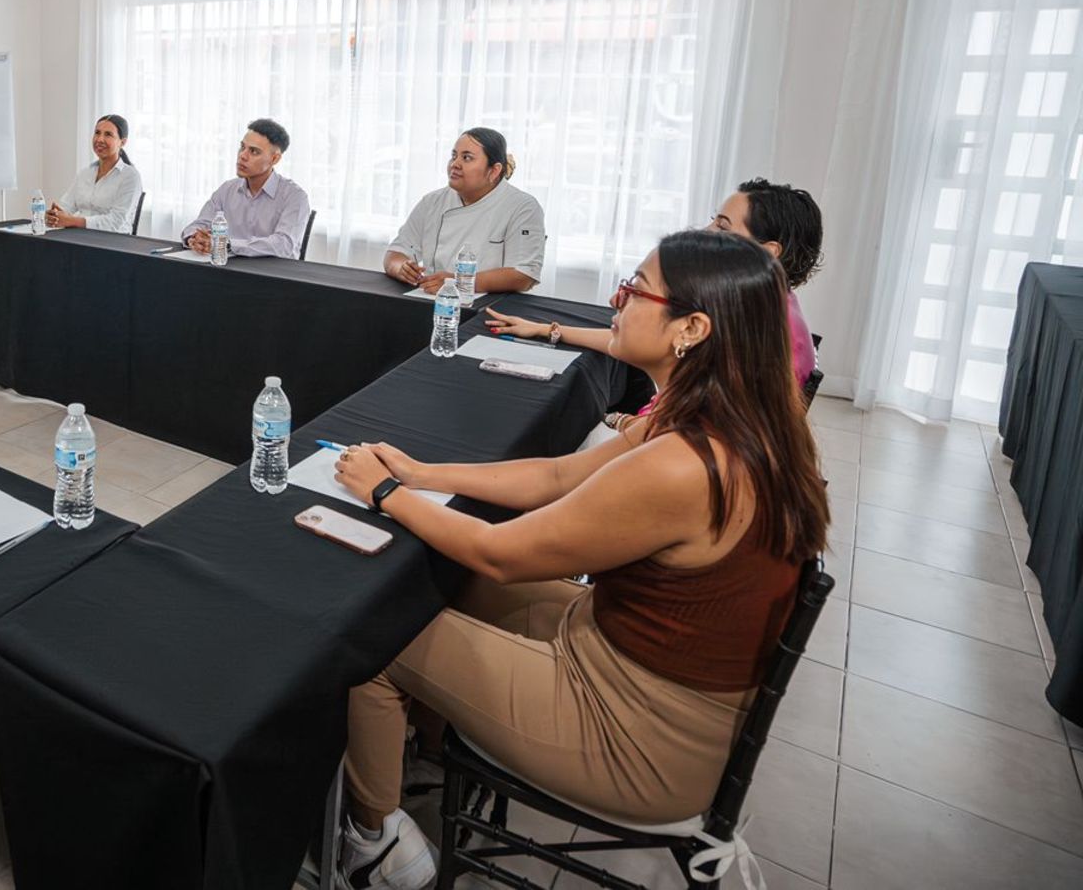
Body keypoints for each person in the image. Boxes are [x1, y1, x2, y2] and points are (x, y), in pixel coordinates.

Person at [332, 231, 829, 888]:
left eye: (635, 290)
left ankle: (373, 843)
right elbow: (558, 476)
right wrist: (421, 473)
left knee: (373, 631)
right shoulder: (723, 417)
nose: (617, 301)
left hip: (637, 739)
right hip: (625, 658)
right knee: (444, 579)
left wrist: (385, 493)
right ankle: (426, 748)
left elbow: (501, 553)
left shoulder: (685, 463)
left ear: (692, 329)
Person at [486, 178, 824, 413]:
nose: (706, 232)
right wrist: (549, 330)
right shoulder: (767, 308)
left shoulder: (745, 328)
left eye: (722, 227)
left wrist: (617, 422)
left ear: (768, 252)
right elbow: (638, 340)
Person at [383, 128, 544, 296]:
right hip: (435, 299)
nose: (455, 164)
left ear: (494, 171)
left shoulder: (523, 207)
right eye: (454, 156)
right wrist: (401, 268)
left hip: (491, 305)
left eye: (467, 158)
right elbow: (395, 253)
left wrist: (457, 282)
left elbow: (523, 275)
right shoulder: (432, 202)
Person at [176, 118, 311, 259]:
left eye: (254, 151)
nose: (242, 156)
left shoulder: (295, 197)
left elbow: (284, 245)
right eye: (242, 147)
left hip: (272, 272)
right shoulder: (227, 189)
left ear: (274, 159)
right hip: (227, 268)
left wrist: (226, 244)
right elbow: (200, 224)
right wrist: (195, 238)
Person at [45, 114, 144, 232]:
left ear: (122, 142)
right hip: (80, 236)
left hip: (112, 240)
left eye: (108, 134)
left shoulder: (130, 176)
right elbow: (66, 206)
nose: (100, 139)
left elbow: (115, 222)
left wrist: (72, 221)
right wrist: (55, 215)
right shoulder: (85, 173)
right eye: (97, 133)